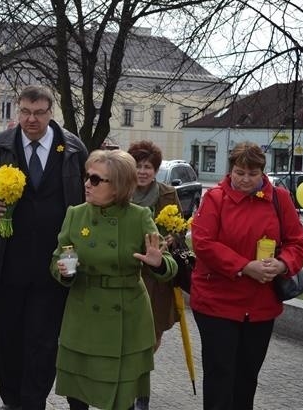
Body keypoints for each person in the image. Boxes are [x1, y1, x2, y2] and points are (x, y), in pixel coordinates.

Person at [0, 85, 88, 410]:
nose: (31, 119)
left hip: (54, 263)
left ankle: (33, 402)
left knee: (45, 341)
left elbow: (89, 194)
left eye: (39, 113)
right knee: (8, 337)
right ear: (18, 111)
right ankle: (12, 399)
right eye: (25, 112)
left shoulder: (73, 148)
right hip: (6, 263)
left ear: (51, 112)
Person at [51, 149, 177, 410]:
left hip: (126, 318)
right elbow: (57, 258)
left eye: (96, 180)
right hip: (84, 314)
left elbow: (169, 266)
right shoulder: (75, 214)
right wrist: (63, 270)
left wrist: (159, 262)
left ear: (118, 185)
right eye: (87, 177)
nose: (87, 183)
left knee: (122, 399)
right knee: (78, 395)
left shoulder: (139, 217)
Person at [190, 142, 303, 410]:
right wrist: (244, 266)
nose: (245, 180)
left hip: (260, 305)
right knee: (221, 375)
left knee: (247, 376)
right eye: (239, 172)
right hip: (216, 302)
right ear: (231, 170)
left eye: (252, 174)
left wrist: (282, 264)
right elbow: (204, 243)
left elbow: (297, 243)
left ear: (262, 173)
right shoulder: (215, 198)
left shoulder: (280, 198)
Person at [127, 140, 183, 410]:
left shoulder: (167, 194)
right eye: (137, 165)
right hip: (129, 269)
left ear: (156, 169)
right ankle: (131, 382)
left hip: (157, 275)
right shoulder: (120, 191)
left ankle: (142, 384)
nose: (142, 171)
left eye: (148, 166)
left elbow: (180, 229)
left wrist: (172, 238)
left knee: (153, 332)